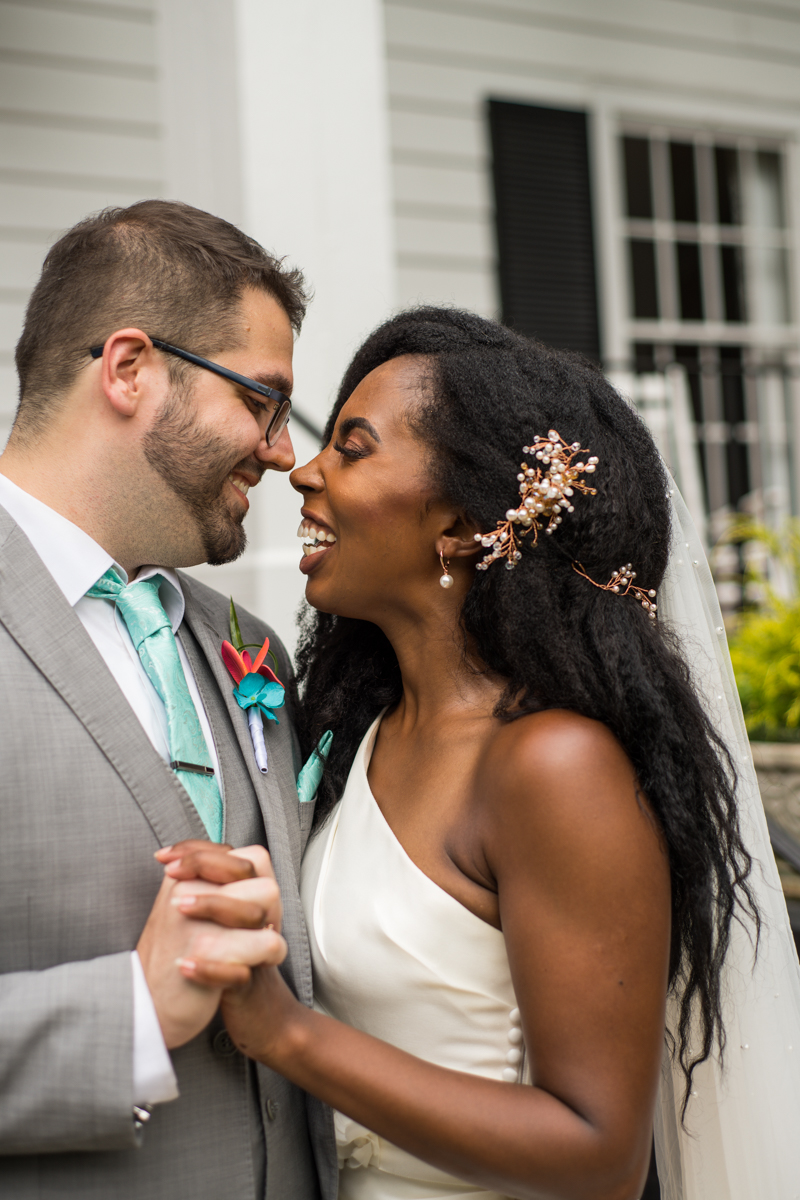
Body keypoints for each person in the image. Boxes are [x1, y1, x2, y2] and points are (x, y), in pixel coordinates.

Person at [175, 307, 800, 1200]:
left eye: (353, 448)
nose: (304, 471)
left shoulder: (553, 766)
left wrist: (287, 1034)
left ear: (465, 525)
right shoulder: (365, 730)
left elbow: (600, 1156)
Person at [0, 201, 336, 1199]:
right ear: (129, 368)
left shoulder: (250, 647)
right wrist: (132, 1013)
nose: (282, 452)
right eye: (262, 400)